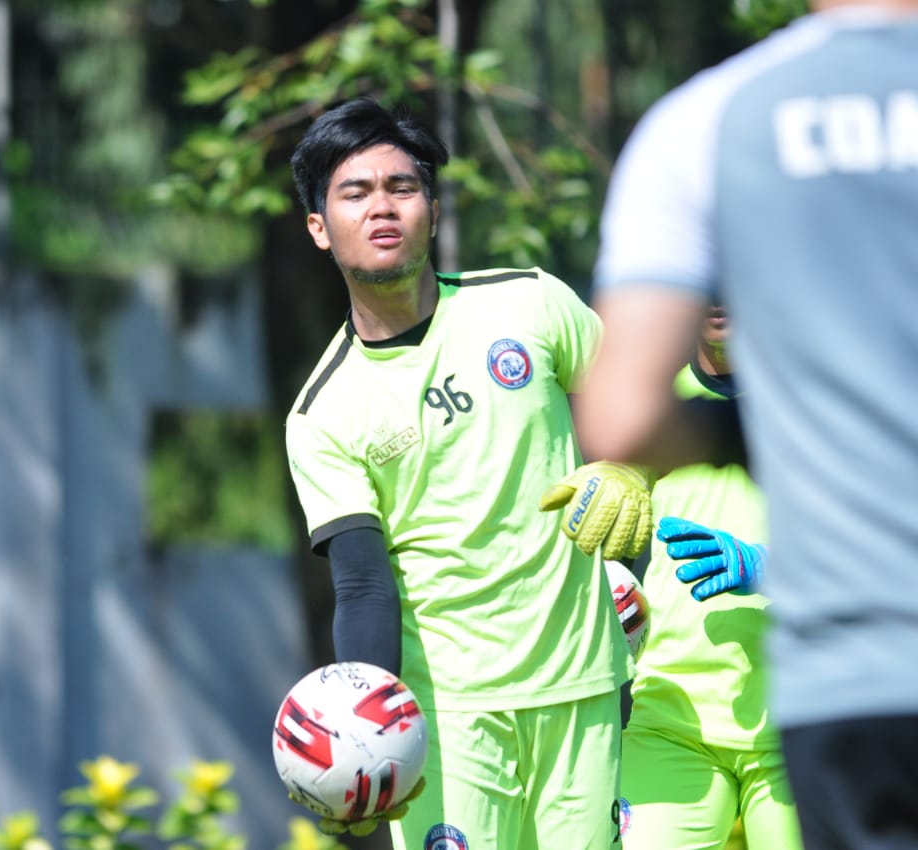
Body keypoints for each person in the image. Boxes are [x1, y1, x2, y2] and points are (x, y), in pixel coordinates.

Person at [573, 4, 918, 849]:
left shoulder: (710, 118)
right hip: (684, 720)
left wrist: (740, 436)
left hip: (843, 679)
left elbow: (620, 414)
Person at [283, 97, 653, 850]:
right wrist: (365, 732)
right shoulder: (320, 412)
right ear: (320, 227)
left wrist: (627, 469)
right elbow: (361, 584)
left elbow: (641, 404)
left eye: (402, 187)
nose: (382, 207)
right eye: (355, 193)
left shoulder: (531, 303)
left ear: (433, 207)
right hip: (447, 719)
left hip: (582, 688)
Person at [619, 307, 803, 850]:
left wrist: (765, 566)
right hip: (671, 718)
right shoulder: (648, 405)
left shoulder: (817, 398)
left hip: (798, 718)